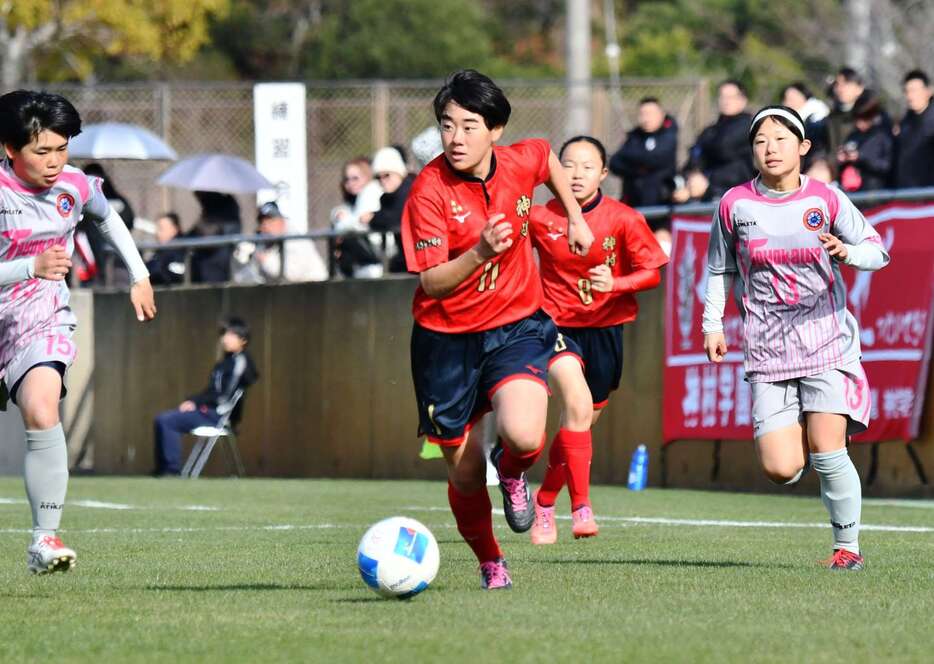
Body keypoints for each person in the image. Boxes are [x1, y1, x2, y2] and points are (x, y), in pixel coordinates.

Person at [401, 69, 593, 590]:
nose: (456, 138)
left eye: (468, 126)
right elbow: (433, 281)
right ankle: (491, 560)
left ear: (495, 130)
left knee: (525, 435)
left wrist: (575, 215)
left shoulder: (519, 159)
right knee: (463, 475)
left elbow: (547, 157)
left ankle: (511, 470)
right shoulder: (428, 191)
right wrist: (480, 252)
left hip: (515, 326)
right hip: (445, 342)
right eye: (447, 126)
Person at [702, 105, 890, 570]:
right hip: (767, 347)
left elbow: (877, 251)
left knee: (829, 451)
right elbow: (719, 268)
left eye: (781, 139)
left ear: (803, 147)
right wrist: (713, 323)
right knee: (781, 467)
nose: (770, 148)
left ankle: (847, 549)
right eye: (761, 141)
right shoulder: (734, 204)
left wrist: (848, 251)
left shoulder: (825, 199)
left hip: (826, 341)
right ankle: (800, 437)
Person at [0, 90, 156, 574]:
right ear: (10, 148)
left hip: (40, 320)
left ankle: (44, 539)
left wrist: (139, 275)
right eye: (40, 151)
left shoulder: (76, 185)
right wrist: (31, 265)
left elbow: (108, 222)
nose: (53, 162)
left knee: (43, 409)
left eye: (61, 149)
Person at [529, 136, 668, 544]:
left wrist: (617, 282)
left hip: (606, 331)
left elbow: (653, 272)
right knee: (576, 405)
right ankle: (581, 506)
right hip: (555, 327)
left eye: (587, 166)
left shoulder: (623, 218)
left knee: (580, 422)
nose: (576, 174)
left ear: (603, 174)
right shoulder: (540, 217)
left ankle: (544, 502)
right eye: (568, 164)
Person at [153, 317, 258, 476]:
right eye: (224, 334)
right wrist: (193, 401)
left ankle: (170, 470)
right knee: (163, 419)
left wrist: (198, 404)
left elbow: (224, 396)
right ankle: (163, 469)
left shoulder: (241, 361)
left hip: (217, 416)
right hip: (207, 411)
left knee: (167, 420)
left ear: (243, 340)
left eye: (230, 335)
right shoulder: (224, 363)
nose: (224, 339)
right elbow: (211, 391)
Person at [686, 80, 755, 199]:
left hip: (736, 191)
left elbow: (724, 147)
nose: (725, 101)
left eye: (730, 97)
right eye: (722, 96)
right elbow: (695, 154)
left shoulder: (749, 126)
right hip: (705, 189)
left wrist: (707, 178)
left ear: (743, 100)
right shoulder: (711, 130)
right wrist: (694, 175)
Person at [608, 97, 678, 207]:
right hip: (633, 202)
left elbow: (656, 159)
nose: (646, 118)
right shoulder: (634, 136)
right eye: (642, 114)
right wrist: (636, 169)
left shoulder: (668, 135)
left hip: (661, 204)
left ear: (661, 114)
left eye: (650, 114)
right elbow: (615, 163)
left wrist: (631, 158)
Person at [78, 162, 136, 286]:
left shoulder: (117, 201)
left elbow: (129, 222)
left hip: (117, 258)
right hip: (92, 259)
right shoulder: (79, 203)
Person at [330, 157, 383, 279]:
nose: (350, 183)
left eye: (355, 178)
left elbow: (359, 224)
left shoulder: (371, 193)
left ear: (367, 176)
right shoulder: (352, 201)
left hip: (374, 255)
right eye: (347, 179)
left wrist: (344, 220)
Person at [250, 201, 328, 282]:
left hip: (315, 288)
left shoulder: (296, 240)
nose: (266, 226)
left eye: (270, 221)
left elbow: (293, 274)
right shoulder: (267, 242)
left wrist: (265, 260)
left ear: (281, 221)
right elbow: (258, 277)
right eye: (263, 222)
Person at [370, 147, 415, 273]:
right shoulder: (386, 198)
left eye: (386, 175)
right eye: (378, 177)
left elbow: (396, 219)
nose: (382, 181)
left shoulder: (411, 190)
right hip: (406, 256)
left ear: (398, 172)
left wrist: (373, 217)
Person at [836, 95, 893, 193]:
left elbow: (887, 166)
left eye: (864, 119)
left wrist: (861, 158)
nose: (859, 123)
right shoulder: (853, 136)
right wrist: (842, 159)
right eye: (857, 119)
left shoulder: (883, 136)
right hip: (852, 191)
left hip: (876, 193)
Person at [893, 69, 934, 189]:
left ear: (928, 91)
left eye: (914, 90)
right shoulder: (904, 123)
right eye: (907, 91)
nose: (910, 96)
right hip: (907, 193)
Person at [190, 191, 240, 283]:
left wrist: (201, 225)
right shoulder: (212, 206)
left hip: (216, 263)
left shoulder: (220, 205)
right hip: (210, 262)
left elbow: (211, 234)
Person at [781, 82, 830, 158]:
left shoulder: (817, 114)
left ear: (804, 95)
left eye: (792, 97)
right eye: (786, 99)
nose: (788, 102)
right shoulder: (795, 118)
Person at [145, 212, 186, 286]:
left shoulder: (181, 253)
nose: (157, 233)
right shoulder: (159, 253)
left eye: (161, 229)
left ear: (174, 229)